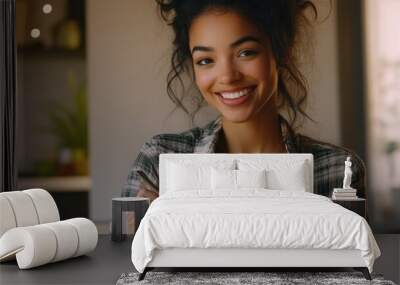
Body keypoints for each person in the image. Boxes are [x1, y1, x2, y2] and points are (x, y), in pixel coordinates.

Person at [121, 0, 366, 202]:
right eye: (206, 60)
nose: (228, 76)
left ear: (282, 51)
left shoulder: (337, 170)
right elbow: (124, 257)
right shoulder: (158, 161)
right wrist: (153, 223)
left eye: (246, 52)